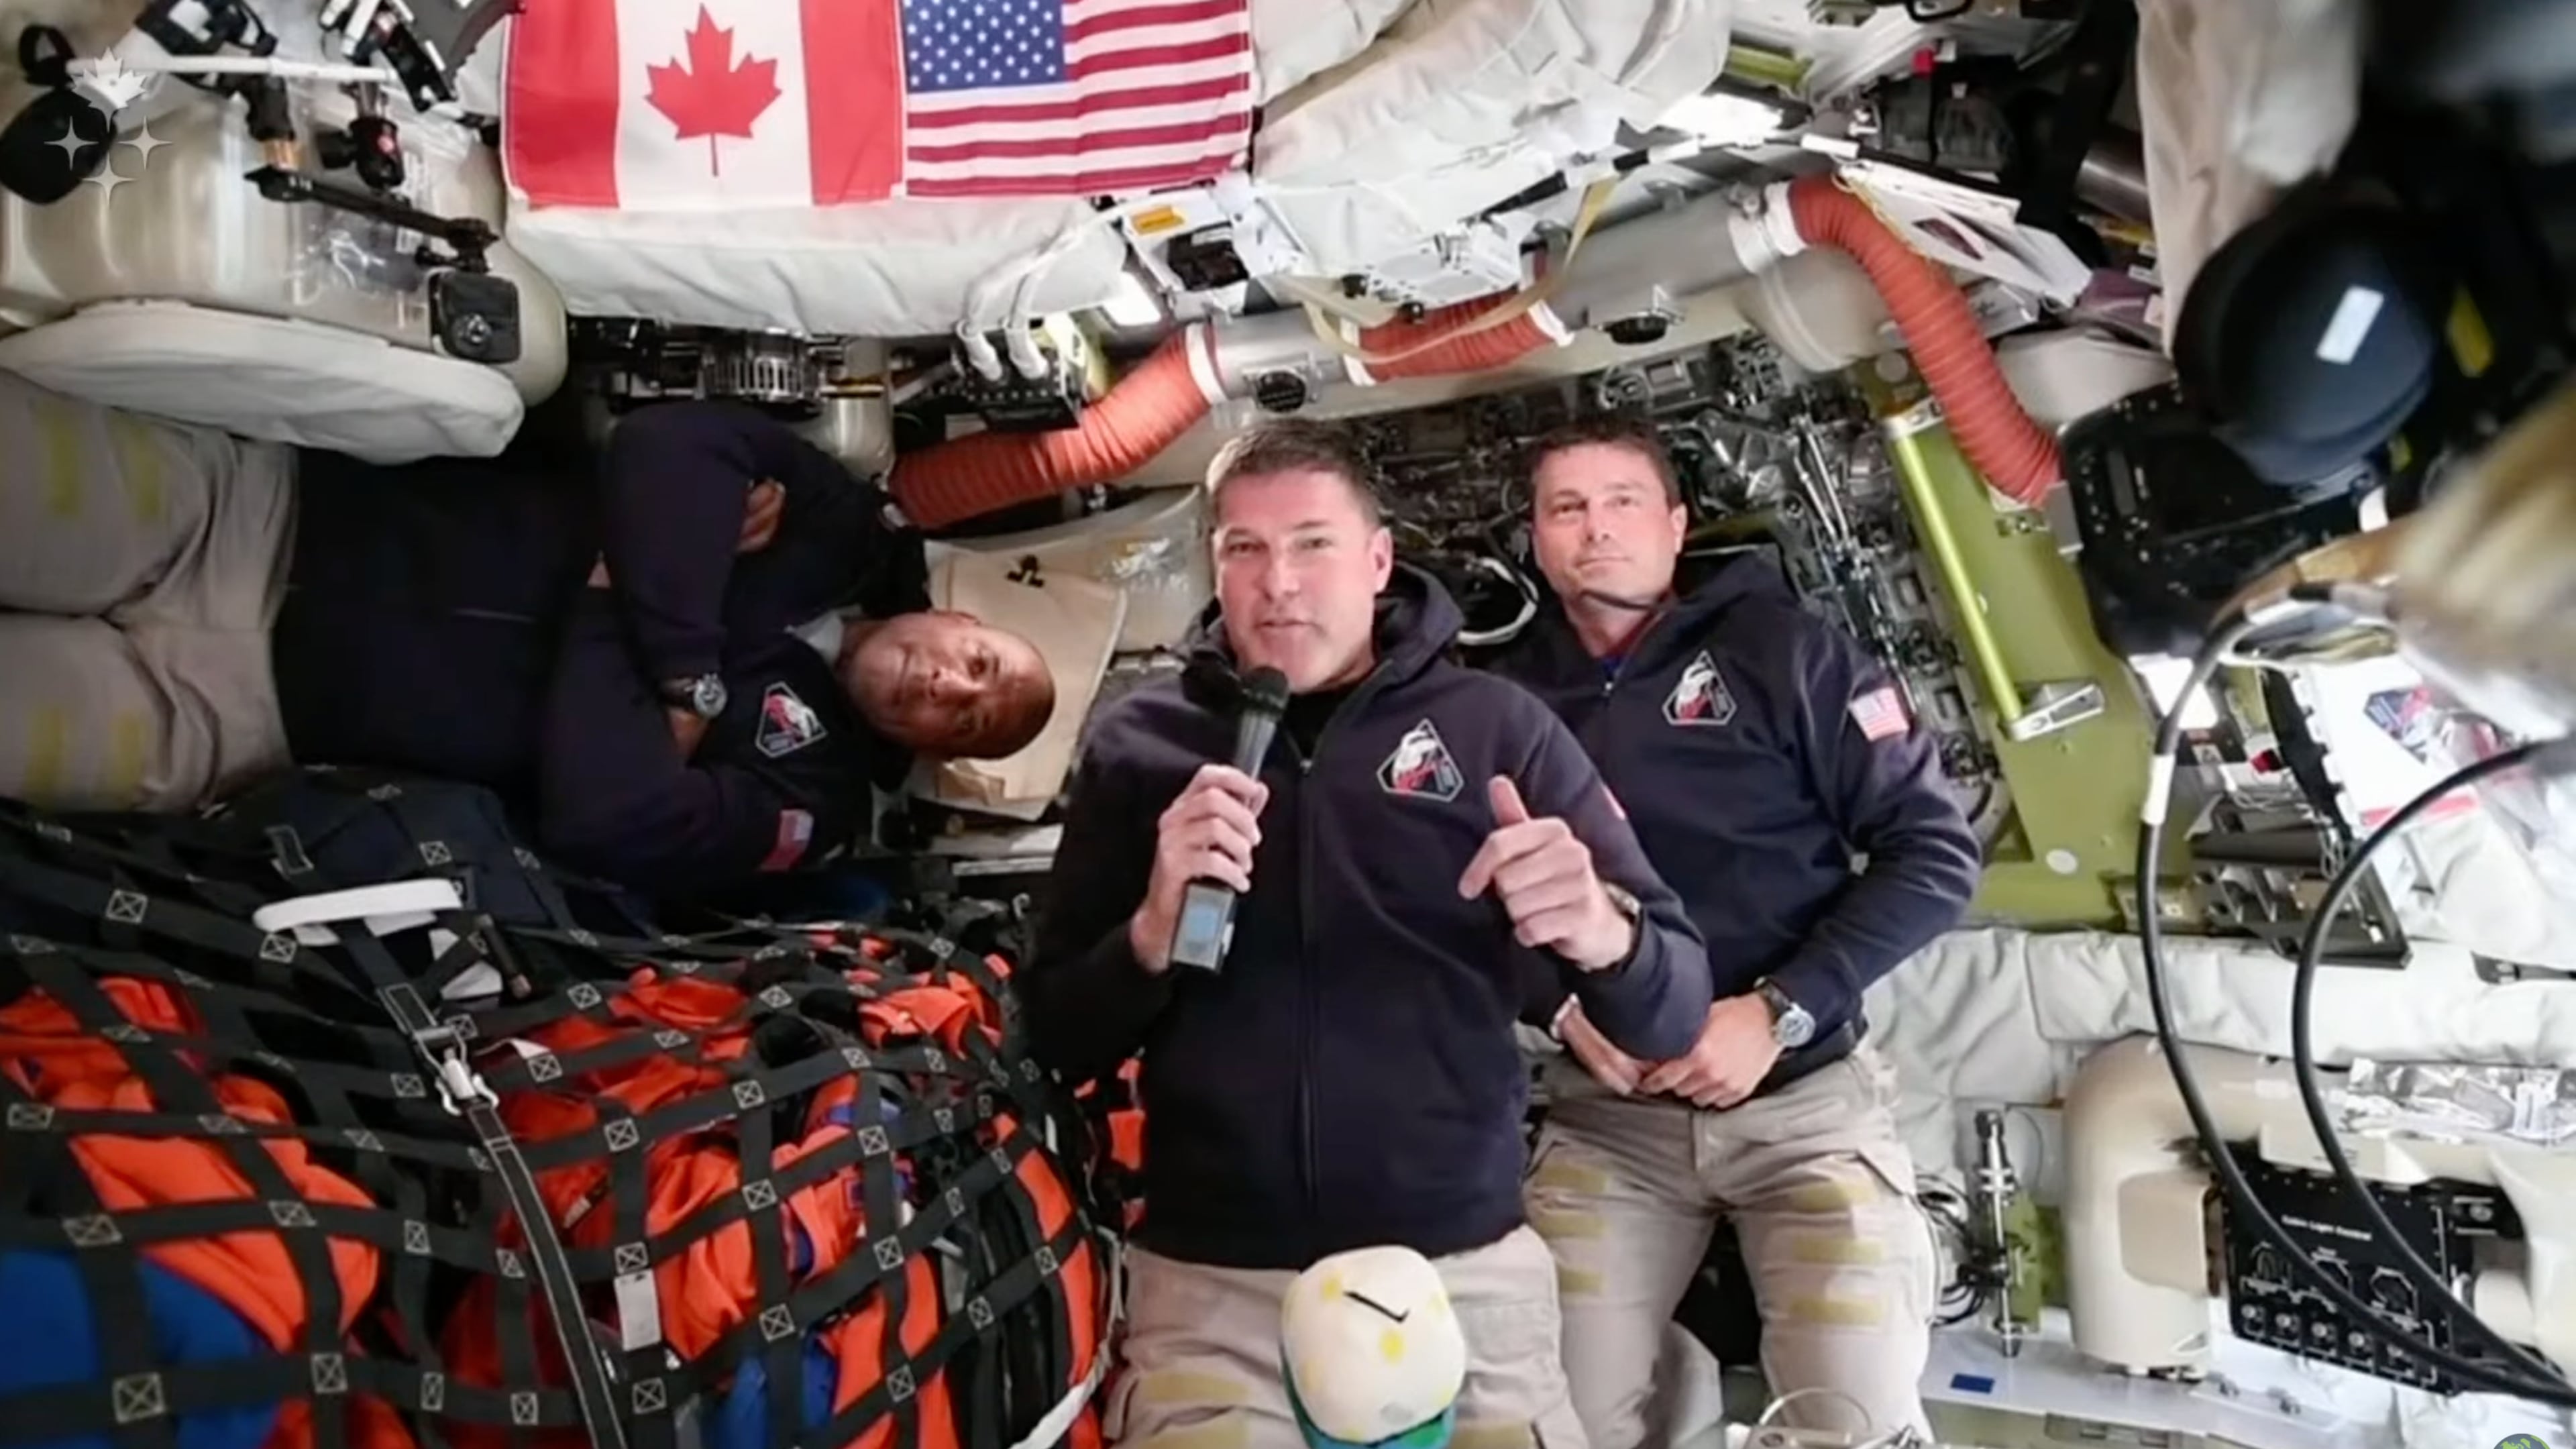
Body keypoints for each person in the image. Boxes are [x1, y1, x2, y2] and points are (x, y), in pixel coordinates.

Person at [1024, 418, 1713, 1449]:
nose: (1278, 584)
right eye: (1243, 550)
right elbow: (1047, 1038)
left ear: (1379, 560)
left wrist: (1601, 929)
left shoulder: (1498, 730)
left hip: (1463, 1274)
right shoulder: (1141, 746)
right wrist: (1151, 934)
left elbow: (1675, 1008)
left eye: (1312, 544)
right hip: (1217, 1292)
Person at [0, 370, 1055, 894]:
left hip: (237, 716)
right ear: (958, 616)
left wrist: (618, 596)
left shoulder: (812, 805)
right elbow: (666, 453)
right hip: (255, 513)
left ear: (932, 752)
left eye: (967, 722)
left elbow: (607, 819)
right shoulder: (840, 532)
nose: (949, 689)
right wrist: (684, 681)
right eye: (980, 664)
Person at [1497, 415, 1983, 1444]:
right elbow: (1453, 894)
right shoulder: (1501, 701)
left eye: (1623, 502)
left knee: (1848, 1417)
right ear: (1536, 540)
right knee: (1541, 1419)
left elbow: (1935, 856)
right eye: (1566, 509)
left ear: (1675, 526)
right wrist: (1561, 1007)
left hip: (1804, 1110)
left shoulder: (1787, 654)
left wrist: (1779, 1013)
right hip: (1607, 1122)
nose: (1596, 531)